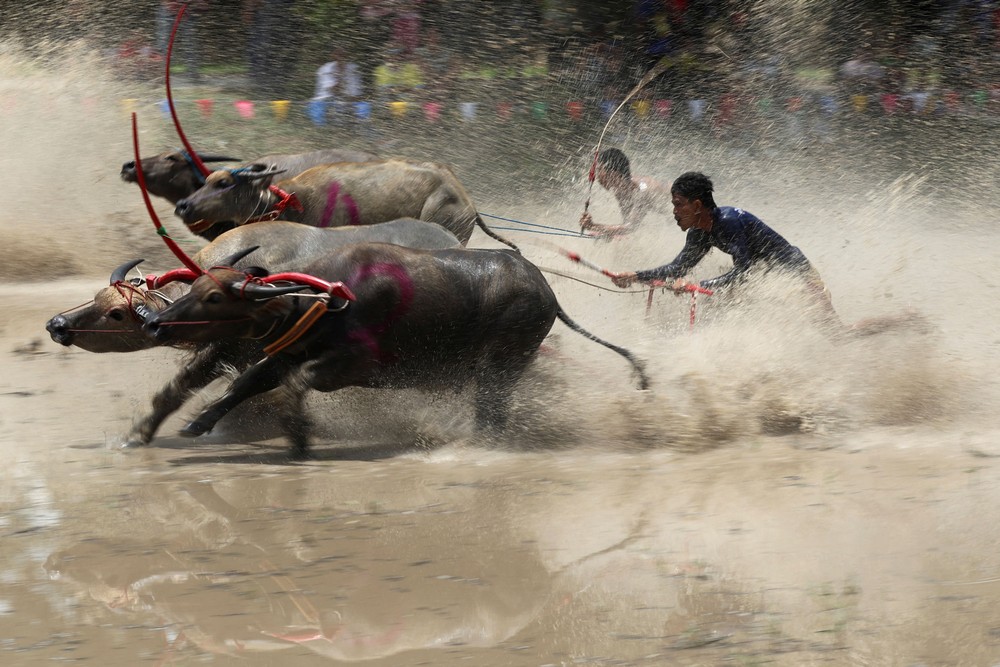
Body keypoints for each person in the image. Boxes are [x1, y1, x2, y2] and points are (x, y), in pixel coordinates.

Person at [610, 171, 923, 337]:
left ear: (697, 205)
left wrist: (698, 286)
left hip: (797, 275)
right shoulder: (698, 232)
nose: (674, 212)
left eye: (678, 204)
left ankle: (905, 321)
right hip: (769, 281)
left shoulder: (729, 222)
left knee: (838, 335)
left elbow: (743, 272)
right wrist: (635, 276)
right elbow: (679, 266)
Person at [579, 148, 673, 239]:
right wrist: (607, 233)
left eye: (599, 170)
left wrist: (594, 226)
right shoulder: (620, 190)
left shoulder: (643, 191)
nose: (596, 176)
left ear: (612, 173)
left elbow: (630, 227)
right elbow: (627, 223)